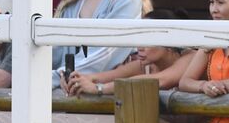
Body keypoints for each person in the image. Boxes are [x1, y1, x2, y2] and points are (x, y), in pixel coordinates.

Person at [62, 9, 192, 96]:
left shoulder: (190, 58)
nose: (139, 47)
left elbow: (160, 80)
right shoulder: (144, 66)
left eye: (147, 39)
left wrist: (99, 89)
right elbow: (104, 76)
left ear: (169, 42)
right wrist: (77, 79)